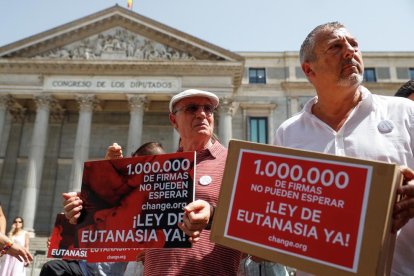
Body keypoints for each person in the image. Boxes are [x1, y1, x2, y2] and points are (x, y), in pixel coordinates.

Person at [274, 22, 414, 276]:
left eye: (354, 44)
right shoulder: (288, 132)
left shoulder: (405, 113)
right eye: (335, 47)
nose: (350, 51)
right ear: (309, 70)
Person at [64, 89, 243, 275]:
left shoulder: (235, 162)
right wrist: (85, 211)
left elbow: (253, 225)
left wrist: (213, 215)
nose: (202, 114)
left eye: (208, 108)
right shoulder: (158, 169)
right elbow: (123, 223)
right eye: (192, 108)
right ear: (173, 120)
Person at [41, 142, 166, 276]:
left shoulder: (162, 206)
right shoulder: (113, 194)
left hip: (115, 272)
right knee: (53, 269)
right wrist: (62, 240)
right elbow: (85, 224)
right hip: (84, 267)